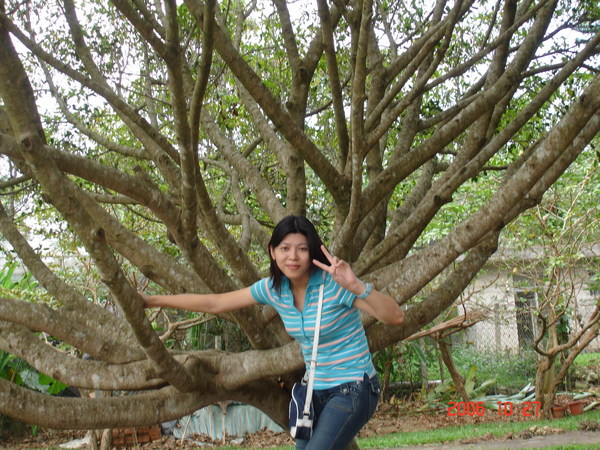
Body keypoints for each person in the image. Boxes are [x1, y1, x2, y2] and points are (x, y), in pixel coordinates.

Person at [140, 215, 404, 449]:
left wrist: (356, 285)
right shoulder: (272, 289)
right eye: (285, 248)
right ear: (272, 252)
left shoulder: (333, 285)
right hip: (313, 392)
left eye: (302, 249)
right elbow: (215, 303)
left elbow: (395, 316)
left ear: (313, 252)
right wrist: (154, 300)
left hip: (353, 387)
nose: (293, 257)